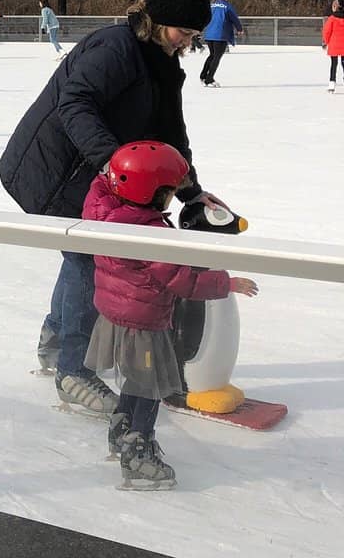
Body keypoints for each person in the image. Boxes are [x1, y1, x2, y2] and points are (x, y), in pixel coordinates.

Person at [0, 0, 225, 416]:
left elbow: (169, 134)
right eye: (185, 31)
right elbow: (74, 103)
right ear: (158, 20)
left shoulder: (161, 61)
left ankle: (55, 338)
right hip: (56, 173)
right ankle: (72, 370)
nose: (188, 42)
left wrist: (191, 191)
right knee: (90, 259)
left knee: (81, 256)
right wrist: (112, 163)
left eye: (195, 36)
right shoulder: (115, 47)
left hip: (94, 178)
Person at [83, 140, 258, 490]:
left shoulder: (102, 209)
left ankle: (120, 431)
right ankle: (138, 453)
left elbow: (99, 187)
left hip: (115, 317)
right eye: (169, 191)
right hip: (145, 325)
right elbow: (183, 281)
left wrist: (114, 173)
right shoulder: (151, 234)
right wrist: (227, 282)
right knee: (149, 388)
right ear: (154, 193)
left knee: (135, 379)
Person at [199, 0, 243, 88]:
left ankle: (203, 76)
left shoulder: (211, 5)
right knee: (216, 57)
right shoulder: (227, 6)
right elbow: (234, 18)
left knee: (212, 55)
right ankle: (209, 79)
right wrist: (239, 29)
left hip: (209, 34)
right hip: (220, 35)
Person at [323, 0, 344, 93]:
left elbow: (326, 31)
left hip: (334, 45)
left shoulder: (332, 19)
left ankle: (332, 83)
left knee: (334, 64)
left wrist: (326, 42)